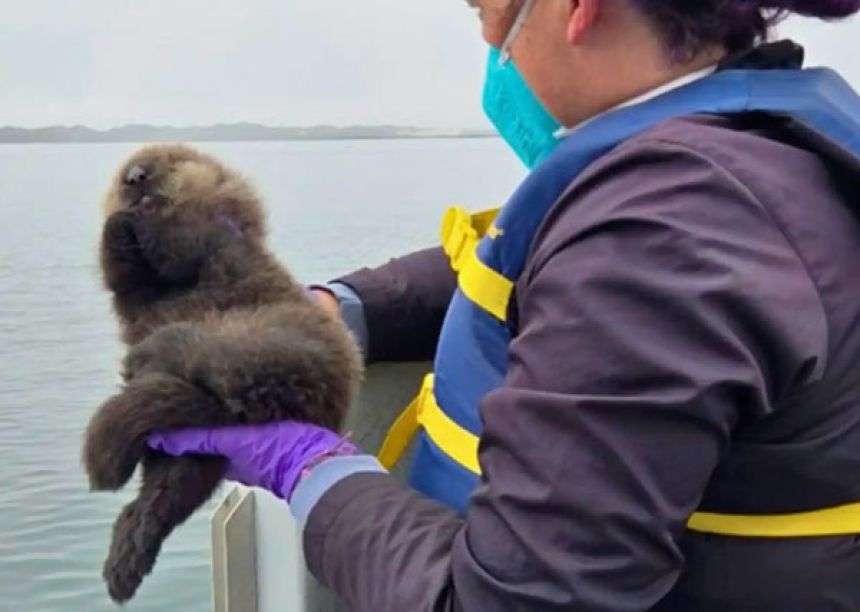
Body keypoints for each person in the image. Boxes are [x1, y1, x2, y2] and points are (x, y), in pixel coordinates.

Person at [148, 0, 860, 610]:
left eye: (486, 12)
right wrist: (340, 309)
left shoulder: (666, 229)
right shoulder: (740, 157)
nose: (491, 49)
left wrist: (304, 465)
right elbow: (517, 267)